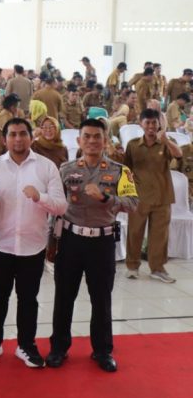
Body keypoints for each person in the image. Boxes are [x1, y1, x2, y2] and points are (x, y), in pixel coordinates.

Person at [47, 118, 138, 372]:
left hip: (102, 242)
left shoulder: (121, 171)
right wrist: (50, 243)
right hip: (71, 240)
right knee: (64, 297)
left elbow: (133, 203)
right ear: (79, 141)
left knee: (101, 299)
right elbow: (55, 209)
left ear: (105, 140)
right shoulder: (65, 170)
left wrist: (107, 198)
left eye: (97, 136)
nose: (92, 141)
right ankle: (59, 348)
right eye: (86, 136)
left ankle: (102, 351)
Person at [0, 119, 67, 368]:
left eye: (23, 134)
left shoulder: (46, 167)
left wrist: (40, 198)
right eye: (13, 134)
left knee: (29, 298)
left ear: (31, 137)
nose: (18, 139)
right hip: (0, 244)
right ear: (4, 139)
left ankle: (26, 345)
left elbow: (61, 205)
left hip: (32, 245)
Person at [123, 108, 181, 283]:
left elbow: (179, 155)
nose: (150, 126)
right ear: (141, 124)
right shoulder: (133, 145)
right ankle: (132, 266)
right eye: (147, 122)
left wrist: (166, 141)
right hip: (139, 197)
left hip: (162, 197)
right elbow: (126, 169)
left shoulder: (167, 142)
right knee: (134, 233)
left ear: (159, 124)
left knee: (159, 235)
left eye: (154, 122)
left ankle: (157, 268)